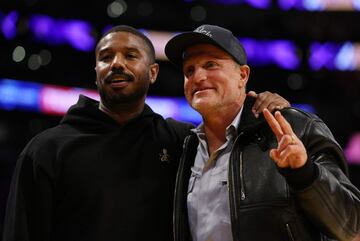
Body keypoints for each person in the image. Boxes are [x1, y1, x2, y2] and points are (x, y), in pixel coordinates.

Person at [2, 25, 290, 241]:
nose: (117, 63)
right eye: (106, 57)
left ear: (153, 73)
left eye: (130, 55)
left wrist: (264, 103)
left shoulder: (182, 141)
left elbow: (231, 136)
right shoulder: (46, 149)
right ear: (96, 73)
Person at [165, 24, 360, 241]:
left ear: (243, 75)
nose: (197, 77)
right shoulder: (184, 147)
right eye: (189, 70)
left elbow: (352, 226)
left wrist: (305, 173)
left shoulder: (294, 128)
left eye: (211, 65)